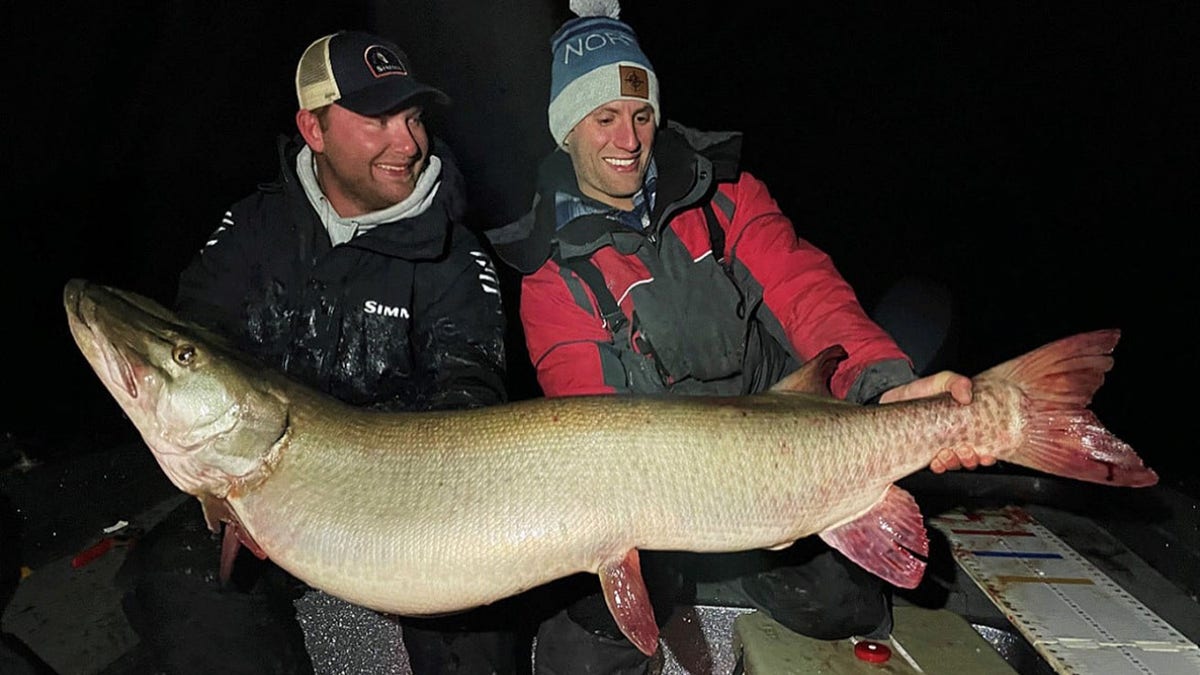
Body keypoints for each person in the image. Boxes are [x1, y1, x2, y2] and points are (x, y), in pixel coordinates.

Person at [486, 1, 989, 671]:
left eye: (640, 116)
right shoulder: (551, 271)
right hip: (654, 504)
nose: (628, 139)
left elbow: (808, 295)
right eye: (604, 118)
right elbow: (589, 416)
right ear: (567, 129)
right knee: (583, 649)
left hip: (783, 461)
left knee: (849, 607)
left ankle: (741, 563)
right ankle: (693, 570)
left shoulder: (727, 198)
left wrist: (884, 384)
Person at [118, 30, 519, 674]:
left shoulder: (454, 256)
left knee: (477, 633)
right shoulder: (254, 227)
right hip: (260, 485)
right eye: (377, 119)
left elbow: (469, 393)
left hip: (403, 504)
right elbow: (202, 338)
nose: (408, 143)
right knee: (174, 582)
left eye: (413, 118)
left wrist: (399, 513)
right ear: (314, 128)